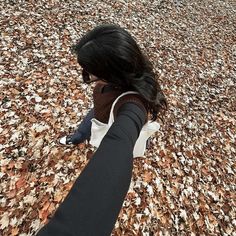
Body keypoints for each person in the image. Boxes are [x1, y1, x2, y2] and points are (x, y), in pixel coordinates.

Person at [37, 24, 167, 236]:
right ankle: (77, 137)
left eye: (90, 73)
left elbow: (119, 141)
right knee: (85, 126)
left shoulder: (134, 105)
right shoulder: (119, 78)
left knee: (116, 137)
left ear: (111, 70)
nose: (87, 76)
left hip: (113, 120)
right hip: (102, 112)